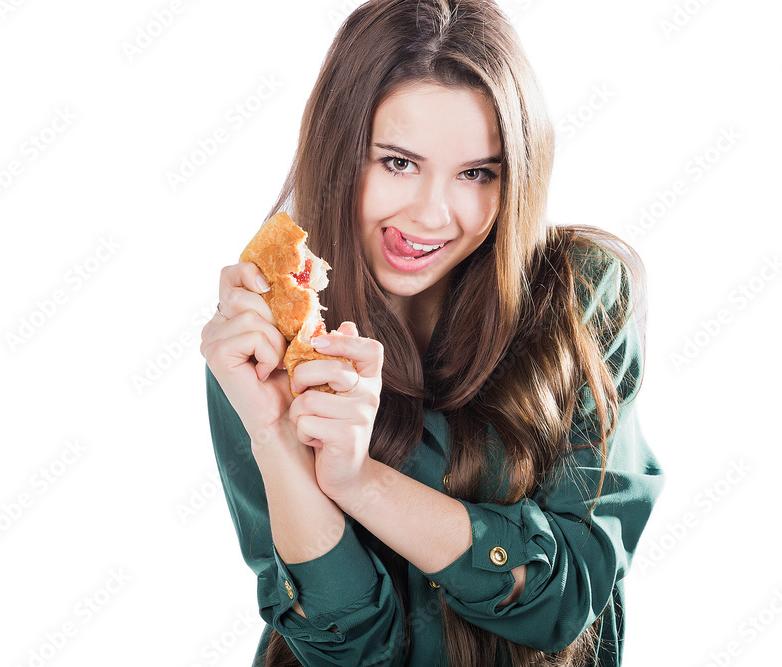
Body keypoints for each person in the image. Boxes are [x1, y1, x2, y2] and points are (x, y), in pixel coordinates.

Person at [199, 0, 664, 665]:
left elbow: (567, 598)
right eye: (397, 163)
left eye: (477, 173)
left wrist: (360, 482)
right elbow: (345, 650)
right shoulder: (259, 338)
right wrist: (274, 433)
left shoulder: (582, 295)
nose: (432, 214)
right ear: (339, 151)